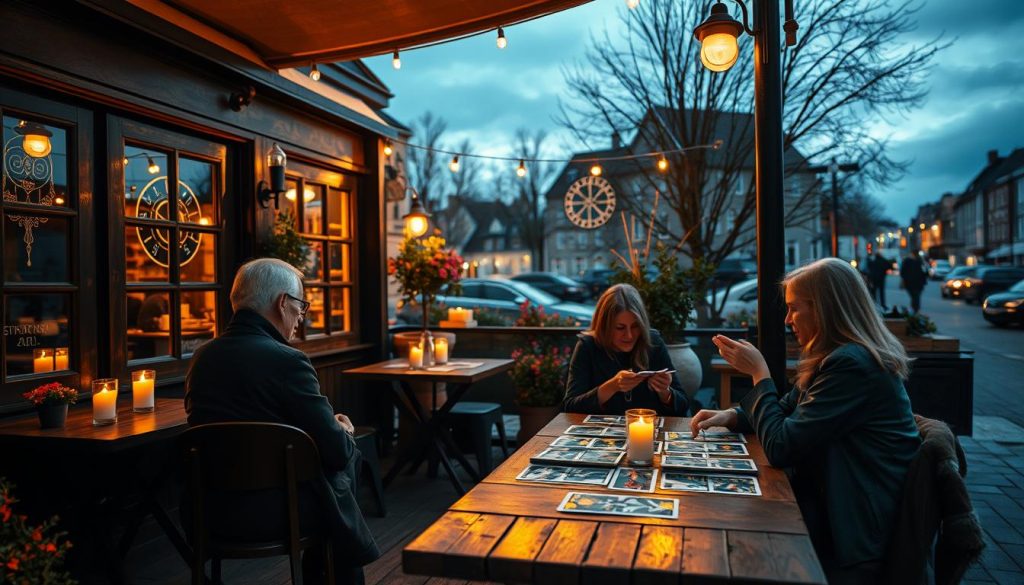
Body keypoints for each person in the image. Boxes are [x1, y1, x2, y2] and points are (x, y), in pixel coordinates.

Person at [690, 258, 919, 583]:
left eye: (794, 309)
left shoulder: (852, 366)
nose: (787, 320)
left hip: (852, 535)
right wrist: (731, 416)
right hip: (834, 507)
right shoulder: (835, 356)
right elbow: (785, 410)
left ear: (825, 308)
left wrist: (759, 373)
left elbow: (782, 446)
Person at [185, 258, 379, 585]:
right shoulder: (288, 361)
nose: (300, 319)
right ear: (282, 303)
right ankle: (330, 571)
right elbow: (335, 452)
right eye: (301, 308)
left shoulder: (202, 358)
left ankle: (330, 568)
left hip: (207, 512)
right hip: (277, 515)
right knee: (343, 460)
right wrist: (341, 431)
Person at [563, 284, 688, 415]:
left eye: (635, 326)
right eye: (620, 328)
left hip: (650, 433)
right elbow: (570, 407)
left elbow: (683, 405)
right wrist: (611, 387)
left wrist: (665, 392)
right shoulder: (588, 346)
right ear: (604, 327)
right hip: (603, 432)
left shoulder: (652, 342)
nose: (629, 335)